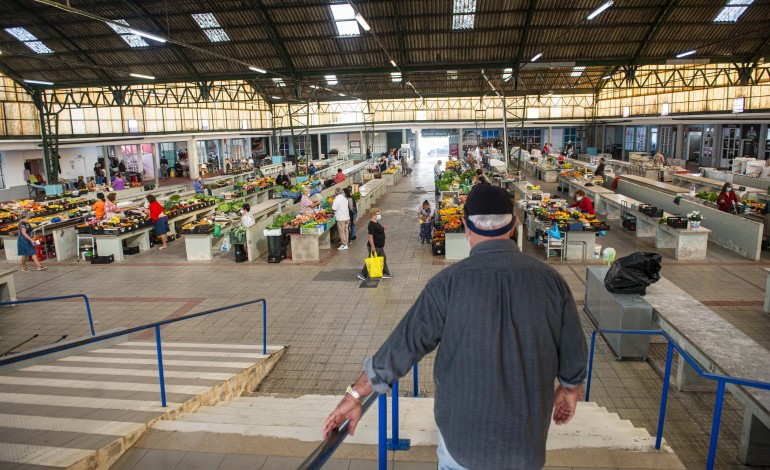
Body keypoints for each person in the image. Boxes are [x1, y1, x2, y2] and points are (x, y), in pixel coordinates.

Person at [324, 185, 587, 469]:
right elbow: (574, 353)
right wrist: (569, 390)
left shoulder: (446, 285)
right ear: (514, 224)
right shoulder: (552, 282)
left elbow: (403, 346)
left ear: (465, 227)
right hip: (525, 450)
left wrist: (355, 395)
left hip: (462, 449)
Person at [357, 208, 392, 280]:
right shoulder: (371, 224)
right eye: (378, 214)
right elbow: (370, 236)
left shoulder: (376, 222)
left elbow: (378, 230)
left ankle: (386, 273)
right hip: (375, 246)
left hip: (379, 246)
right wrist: (373, 247)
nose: (379, 215)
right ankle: (363, 274)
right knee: (371, 260)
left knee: (383, 259)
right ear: (373, 215)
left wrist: (383, 228)